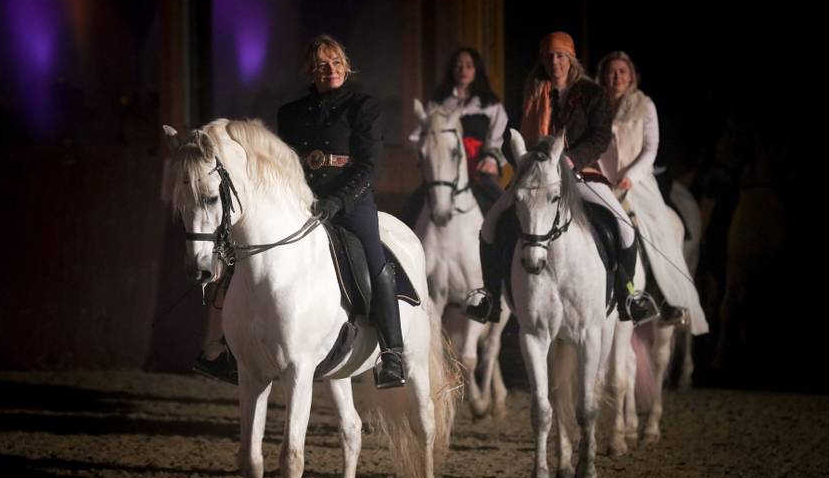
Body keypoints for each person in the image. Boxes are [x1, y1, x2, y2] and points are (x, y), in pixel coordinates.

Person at [465, 31, 657, 325]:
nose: (554, 62)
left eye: (560, 56)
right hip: (537, 177)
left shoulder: (593, 94)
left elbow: (600, 138)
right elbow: (511, 135)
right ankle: (491, 297)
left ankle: (628, 295)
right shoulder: (533, 90)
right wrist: (520, 158)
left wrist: (571, 159)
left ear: (570, 59)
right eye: (549, 57)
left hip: (581, 173)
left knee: (624, 226)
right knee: (490, 224)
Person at [275, 35, 406, 389]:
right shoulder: (290, 113)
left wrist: (337, 201)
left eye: (334, 62)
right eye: (320, 65)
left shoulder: (363, 107)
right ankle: (231, 347)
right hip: (303, 201)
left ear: (346, 66)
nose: (329, 69)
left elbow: (368, 167)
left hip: (351, 201)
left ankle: (393, 352)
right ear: (310, 71)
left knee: (375, 258)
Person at [595, 51, 708, 334]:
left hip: (638, 183)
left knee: (653, 233)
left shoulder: (644, 105)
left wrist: (630, 177)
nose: (616, 77)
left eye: (622, 71)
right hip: (602, 181)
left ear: (631, 76)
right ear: (603, 76)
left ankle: (664, 299)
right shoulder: (596, 107)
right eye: (611, 71)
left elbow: (650, 148)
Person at [404, 47, 508, 225]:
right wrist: (429, 159)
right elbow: (417, 137)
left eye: (469, 66)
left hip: (478, 168)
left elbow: (497, 137)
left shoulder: (490, 103)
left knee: (503, 205)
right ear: (452, 70)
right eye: (459, 65)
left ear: (476, 69)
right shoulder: (439, 101)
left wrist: (491, 158)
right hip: (444, 168)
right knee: (411, 206)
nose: (463, 70)